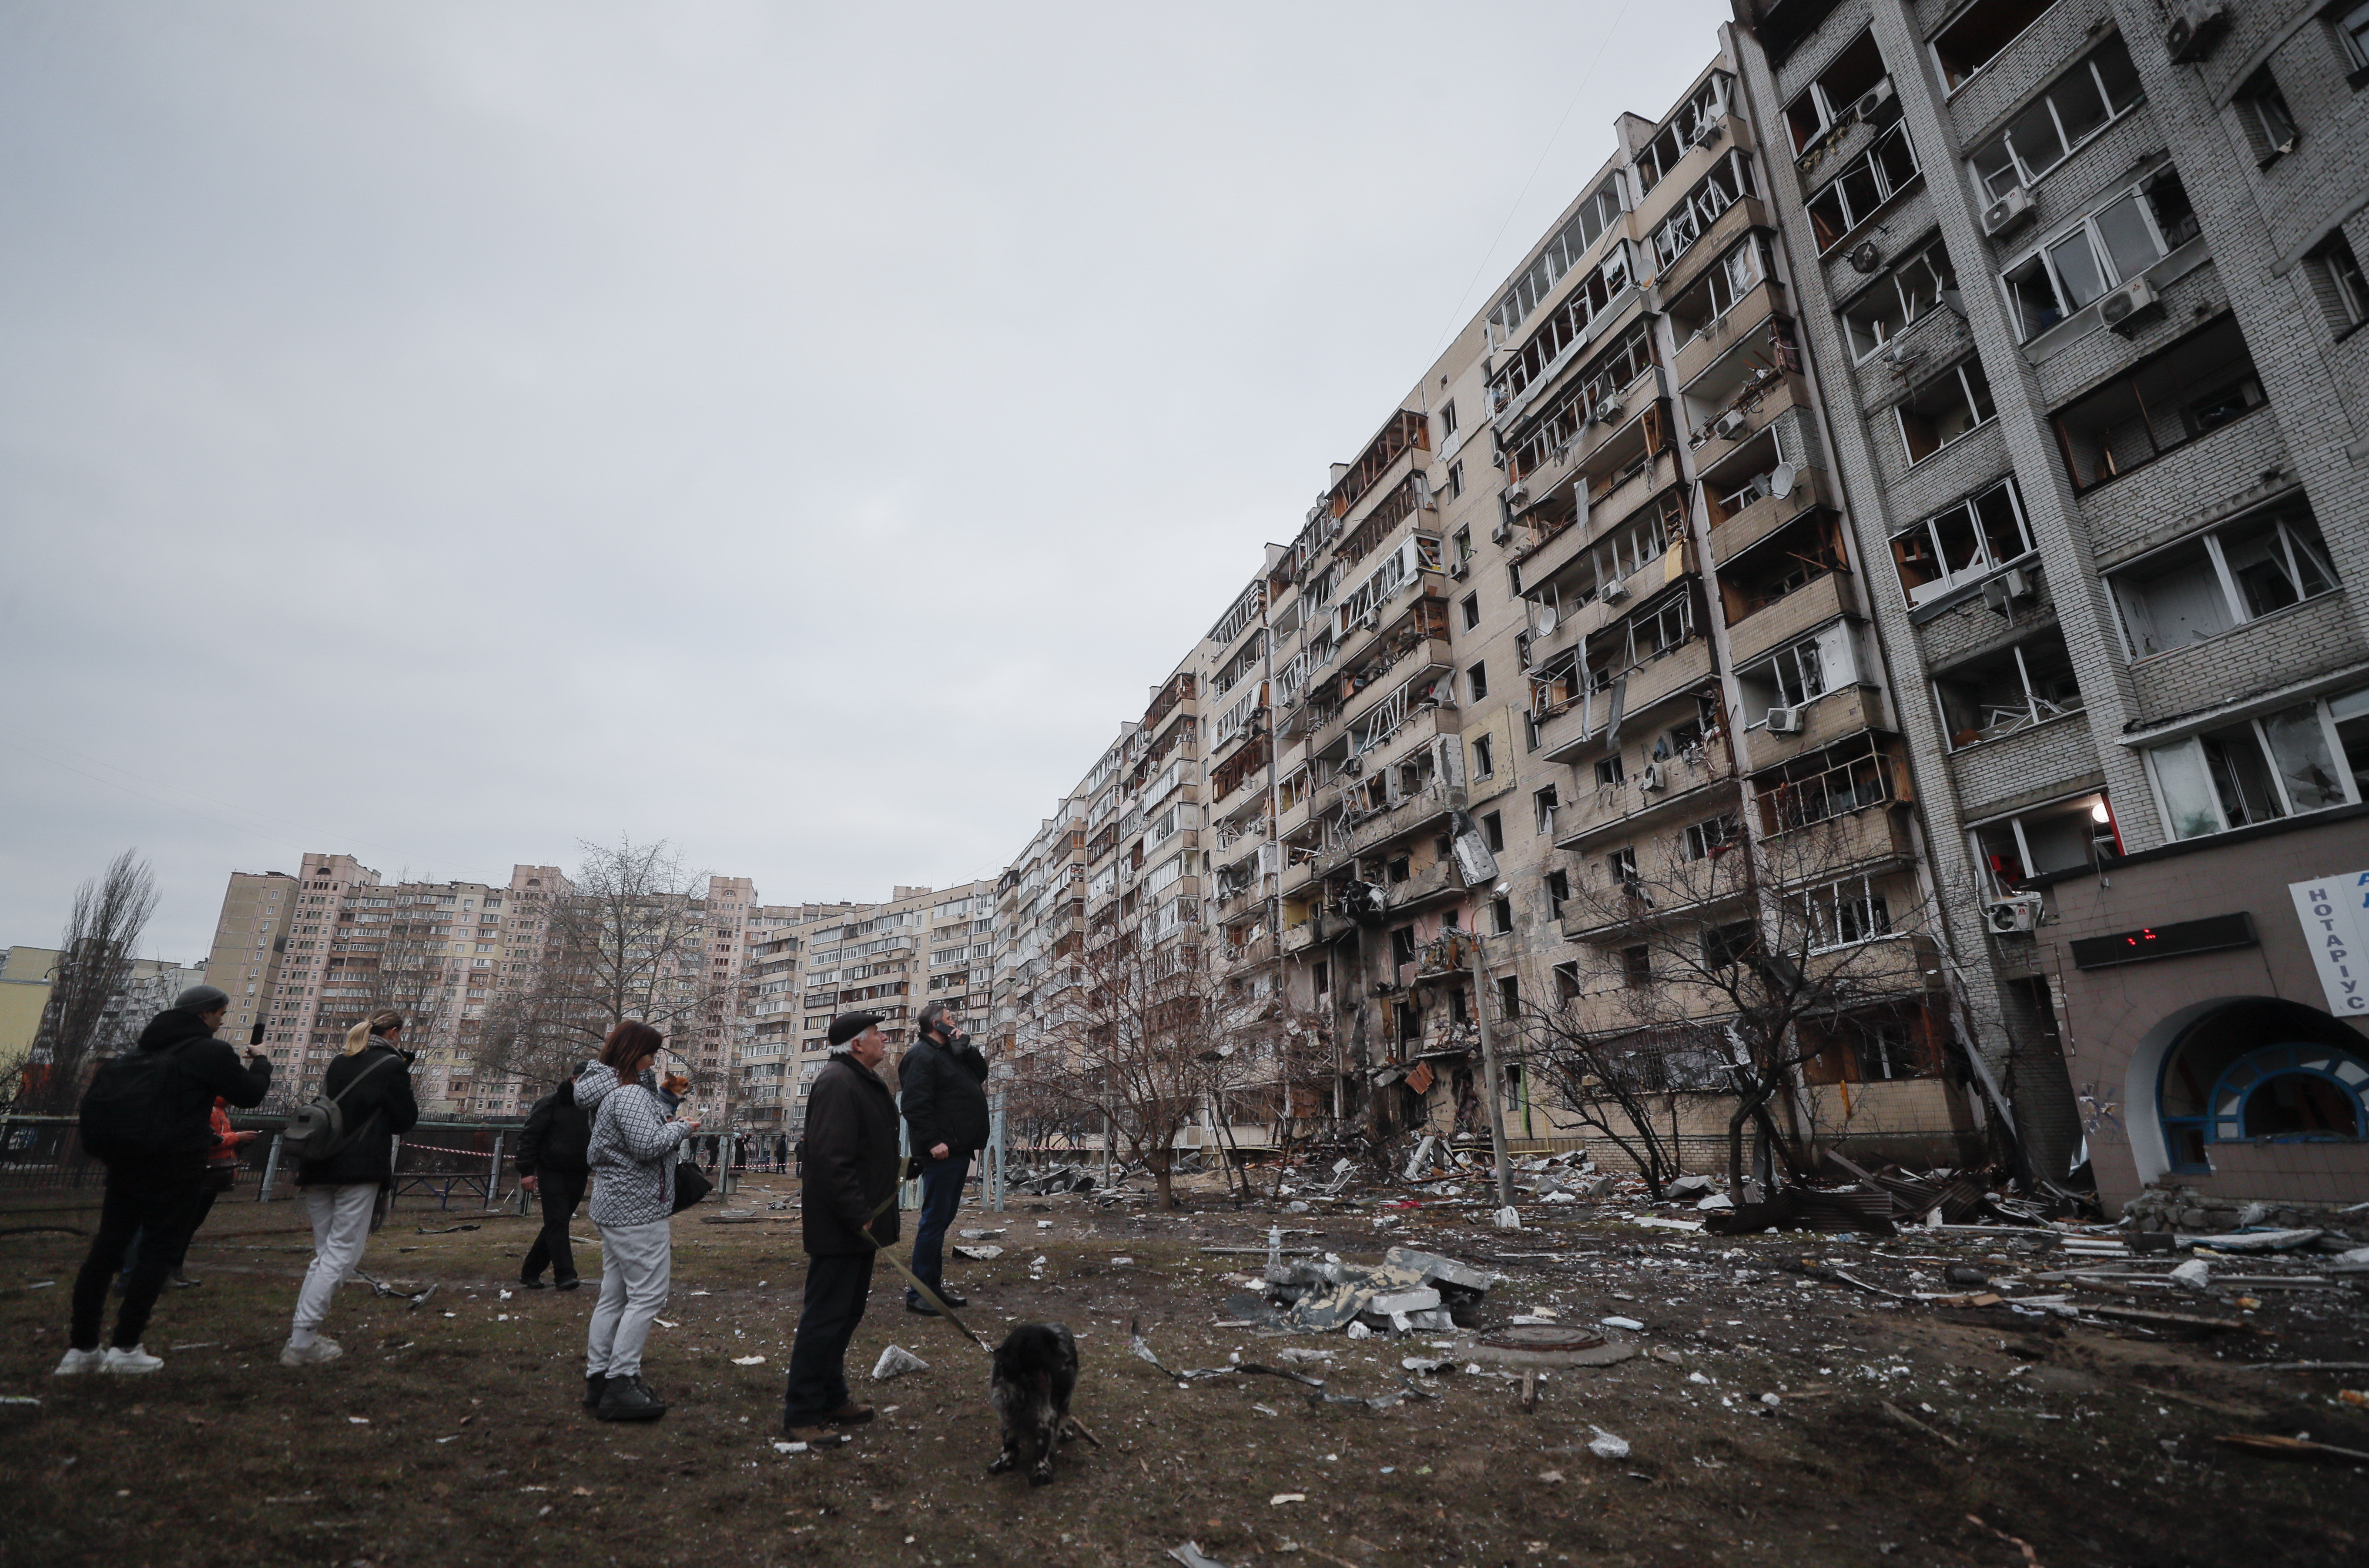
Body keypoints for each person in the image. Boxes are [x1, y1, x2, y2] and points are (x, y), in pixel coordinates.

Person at [56, 985, 271, 1375]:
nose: (222, 1022)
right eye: (221, 1014)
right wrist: (263, 1063)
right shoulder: (209, 1052)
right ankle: (126, 1345)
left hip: (126, 1164)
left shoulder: (141, 1051)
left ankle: (82, 1348)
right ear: (205, 1014)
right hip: (177, 1167)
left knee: (106, 1252)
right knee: (158, 1252)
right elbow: (250, 1095)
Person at [781, 1010, 900, 1438]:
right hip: (844, 1225)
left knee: (846, 1314)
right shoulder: (837, 1082)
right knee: (826, 1317)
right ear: (856, 1043)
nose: (885, 1038)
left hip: (857, 1225)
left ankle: (832, 1397)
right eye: (877, 1034)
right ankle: (802, 1412)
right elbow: (832, 1158)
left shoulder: (857, 1078)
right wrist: (857, 1212)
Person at [281, 1009, 419, 1368]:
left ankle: (302, 1336)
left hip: (319, 1162)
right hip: (358, 1169)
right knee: (342, 1254)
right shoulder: (391, 1067)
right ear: (393, 1032)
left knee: (324, 1252)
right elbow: (405, 1119)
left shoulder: (340, 1062)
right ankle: (301, 1340)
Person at [581, 1021, 697, 1422]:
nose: (654, 1060)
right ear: (635, 1053)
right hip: (636, 1210)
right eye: (650, 1052)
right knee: (647, 1294)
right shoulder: (629, 1094)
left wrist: (667, 1110)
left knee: (614, 1295)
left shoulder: (620, 1092)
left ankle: (599, 1377)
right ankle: (621, 1380)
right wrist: (683, 1127)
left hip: (617, 1208)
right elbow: (647, 1146)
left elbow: (640, 1136)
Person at [897, 1002, 990, 1315]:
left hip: (958, 1147)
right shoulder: (920, 1056)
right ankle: (919, 1293)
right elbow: (914, 1104)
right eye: (950, 1020)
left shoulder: (949, 1054)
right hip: (942, 1150)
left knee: (942, 1219)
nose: (955, 1022)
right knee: (934, 1219)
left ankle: (932, 1288)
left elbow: (980, 1075)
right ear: (937, 1024)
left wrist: (966, 1048)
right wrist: (933, 1140)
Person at [160, 1097, 260, 1287]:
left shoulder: (219, 1110)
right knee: (184, 1224)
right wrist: (236, 1138)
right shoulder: (209, 1109)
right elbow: (209, 1140)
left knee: (191, 1224)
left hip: (213, 1173)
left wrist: (238, 1143)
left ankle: (175, 1269)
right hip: (204, 1171)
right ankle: (167, 1271)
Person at [516, 1069, 592, 1291]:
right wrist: (527, 1171)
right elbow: (530, 1137)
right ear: (573, 1080)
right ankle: (565, 1275)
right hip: (551, 1170)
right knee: (558, 1221)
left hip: (578, 1171)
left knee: (557, 1223)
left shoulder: (591, 1107)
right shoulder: (550, 1103)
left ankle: (530, 1272)